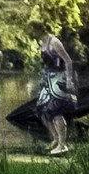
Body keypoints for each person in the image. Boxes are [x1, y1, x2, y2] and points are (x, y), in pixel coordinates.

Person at [29, 18, 78, 155]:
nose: (30, 33)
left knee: (55, 110)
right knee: (42, 110)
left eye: (32, 30)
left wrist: (69, 80)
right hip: (48, 79)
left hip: (59, 79)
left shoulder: (54, 42)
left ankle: (63, 145)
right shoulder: (42, 42)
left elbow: (68, 61)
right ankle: (55, 139)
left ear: (38, 29)